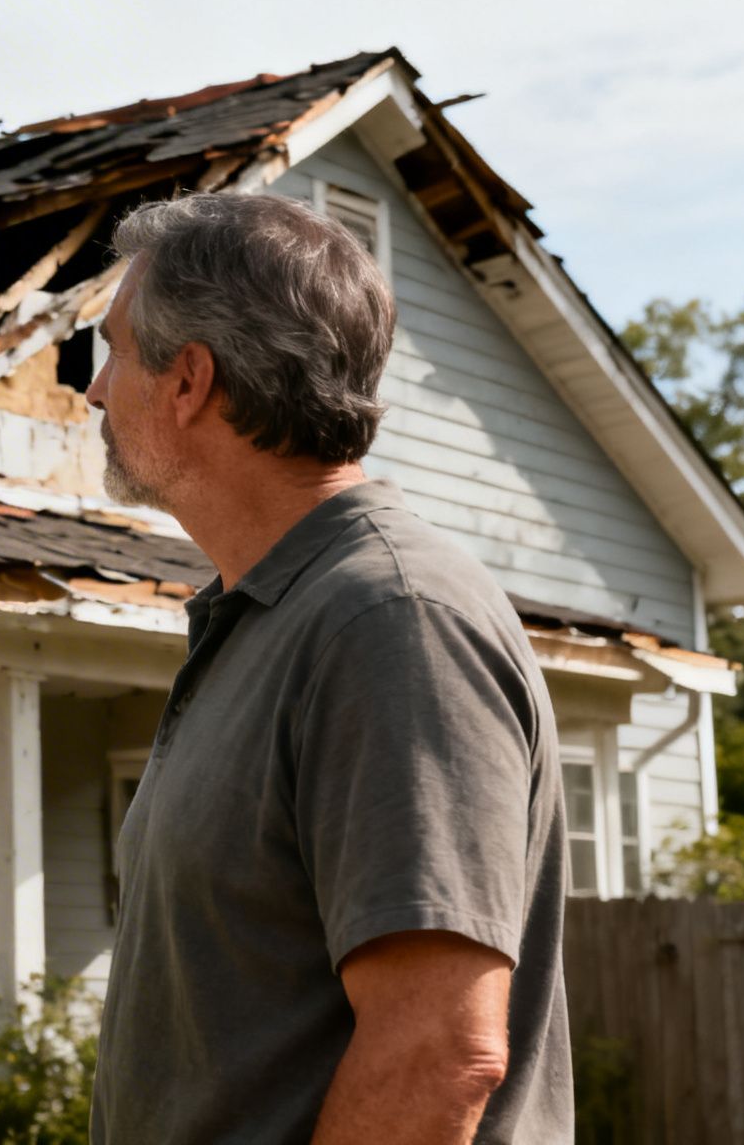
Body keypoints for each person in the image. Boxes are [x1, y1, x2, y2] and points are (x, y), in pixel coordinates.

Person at [84, 193, 571, 1143]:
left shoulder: (390, 623)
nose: (95, 390)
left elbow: (438, 1052)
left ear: (189, 380)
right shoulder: (275, 614)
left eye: (112, 350)